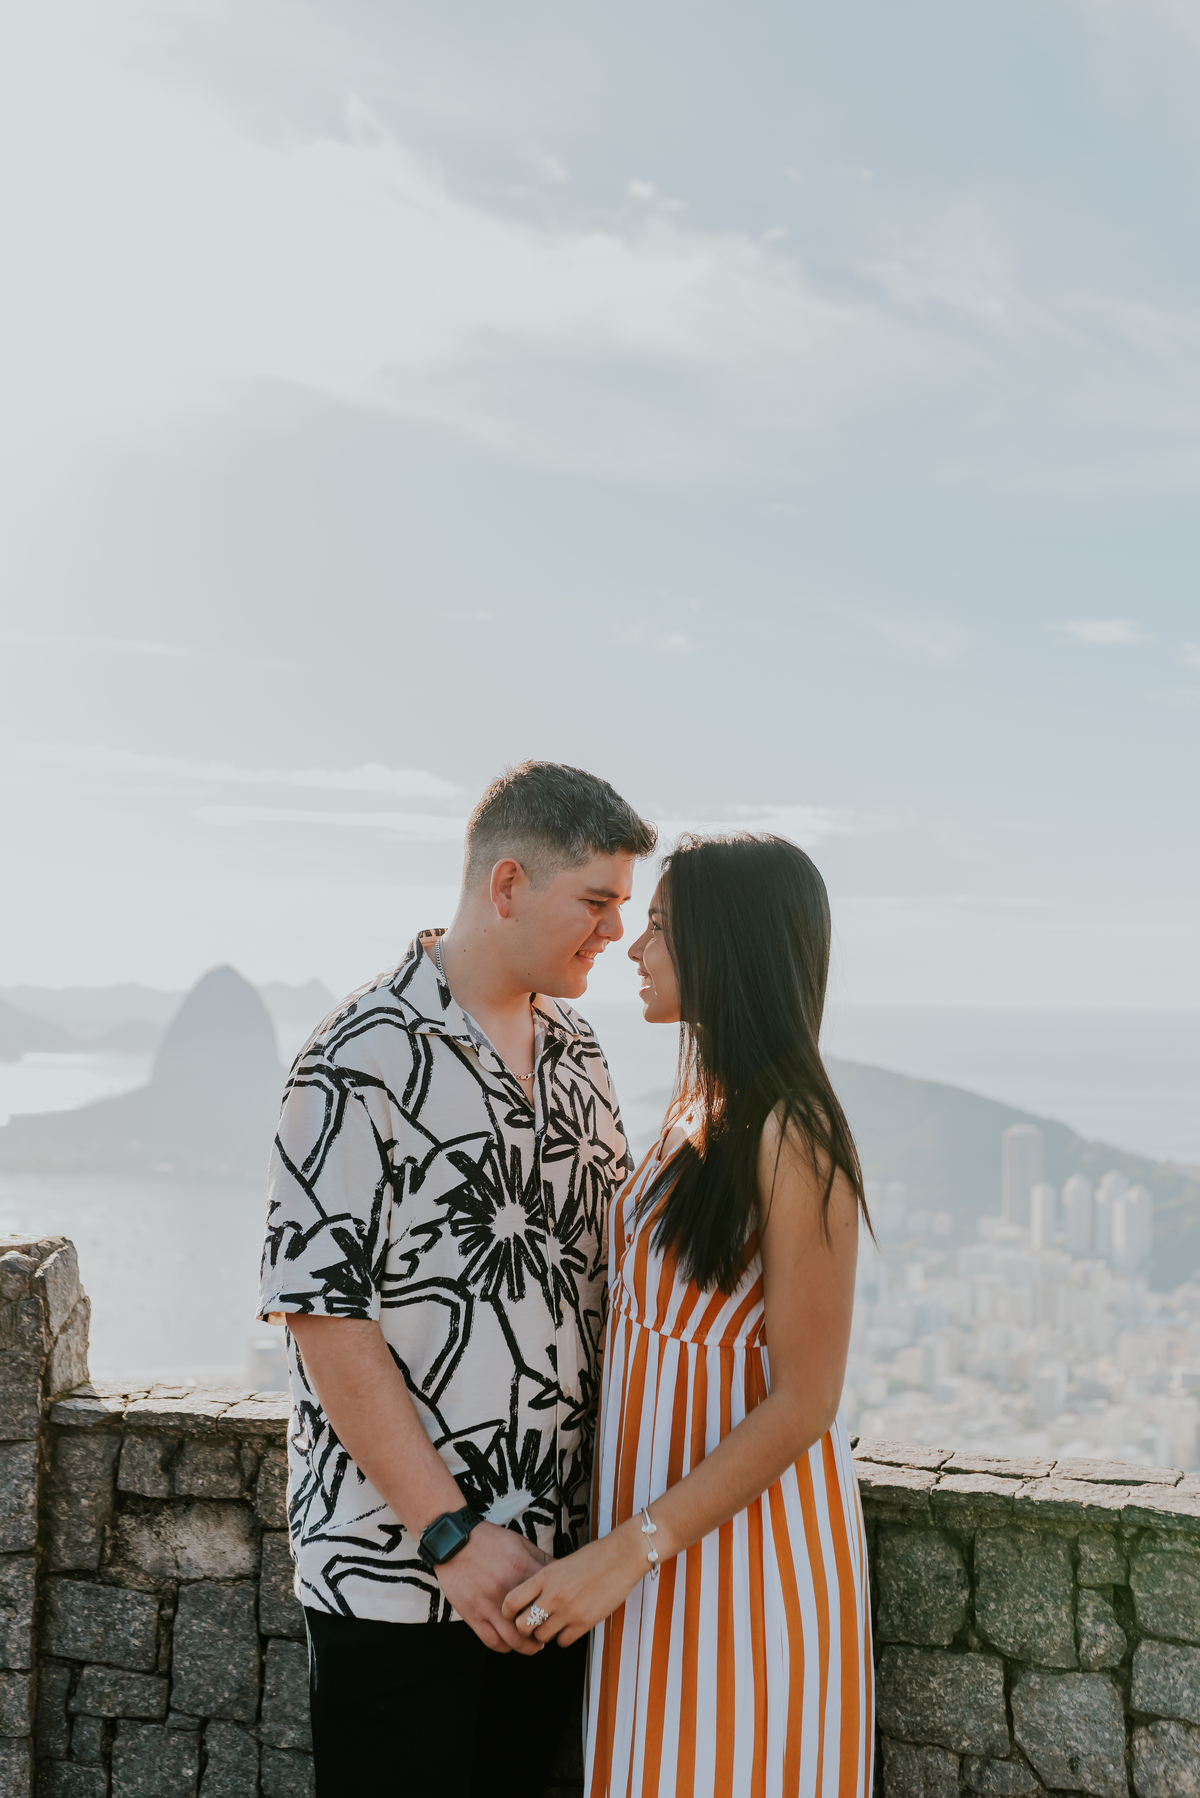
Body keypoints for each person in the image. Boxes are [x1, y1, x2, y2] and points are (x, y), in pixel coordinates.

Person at [257, 761, 657, 1796]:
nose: (616, 930)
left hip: (552, 1577)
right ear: (510, 883)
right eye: (598, 901)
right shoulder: (358, 1058)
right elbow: (322, 1316)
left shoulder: (580, 1051)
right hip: (395, 1580)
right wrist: (450, 1536)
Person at [503, 833, 875, 1798]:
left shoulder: (797, 1133)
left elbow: (805, 1400)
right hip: (650, 1558)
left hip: (735, 1566)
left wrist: (627, 1554)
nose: (633, 945)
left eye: (661, 926)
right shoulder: (695, 1110)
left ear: (726, 946)